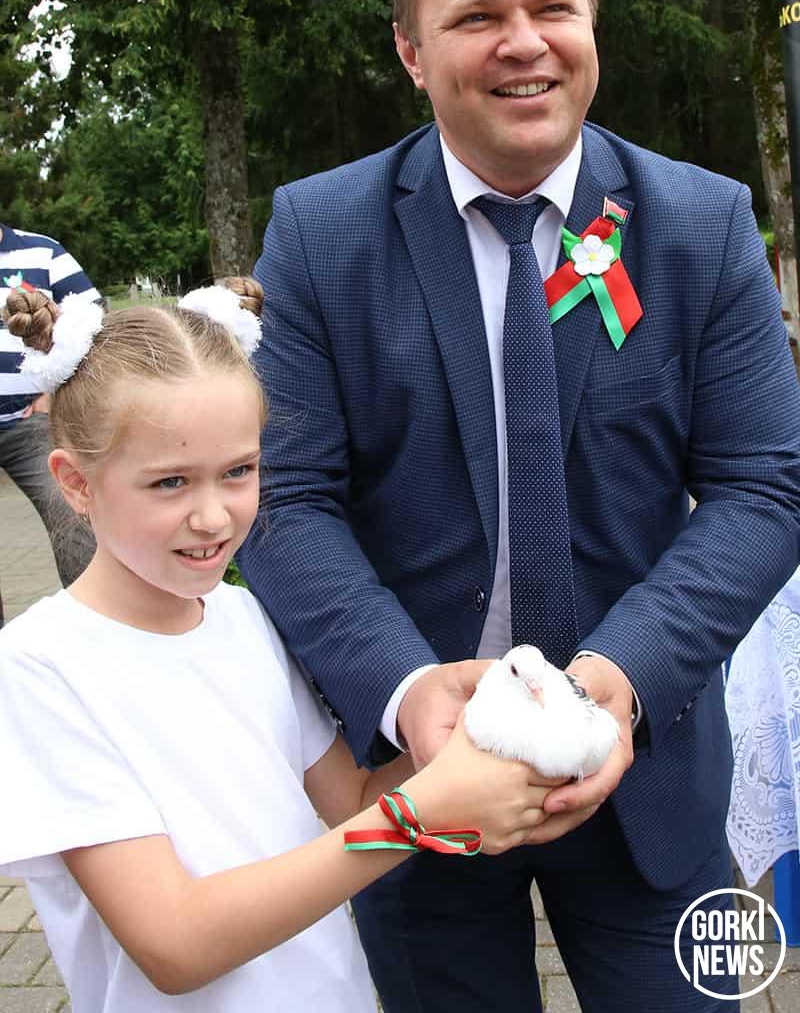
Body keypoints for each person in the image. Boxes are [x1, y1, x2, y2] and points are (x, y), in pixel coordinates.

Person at [238, 0, 800, 1012]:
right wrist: (405, 693)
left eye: (552, 8)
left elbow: (764, 486)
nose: (523, 42)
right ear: (410, 51)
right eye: (475, 17)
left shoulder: (702, 222)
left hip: (652, 780)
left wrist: (618, 682)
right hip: (416, 783)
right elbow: (286, 498)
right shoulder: (319, 231)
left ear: (592, 27)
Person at [0, 279, 550, 1013]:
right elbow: (176, 944)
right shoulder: (38, 668)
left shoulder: (243, 617)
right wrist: (417, 815)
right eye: (170, 483)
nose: (213, 516)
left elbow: (350, 800)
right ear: (76, 483)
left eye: (239, 471)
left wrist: (470, 731)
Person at [0, 222, 98, 600]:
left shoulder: (43, 252)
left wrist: (55, 392)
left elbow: (93, 322)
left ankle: (98, 615)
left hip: (31, 423)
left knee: (72, 508)